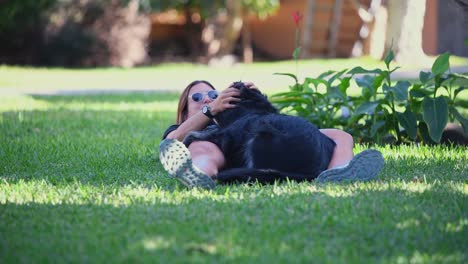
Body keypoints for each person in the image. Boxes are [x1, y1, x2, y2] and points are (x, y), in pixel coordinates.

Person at [159, 80, 384, 189]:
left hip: (248, 134)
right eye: (197, 98)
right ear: (185, 110)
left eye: (212, 94)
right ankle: (199, 175)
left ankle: (340, 172)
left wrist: (252, 98)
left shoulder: (229, 114)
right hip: (223, 146)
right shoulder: (184, 130)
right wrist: (211, 110)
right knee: (203, 147)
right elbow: (171, 142)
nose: (206, 99)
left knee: (339, 135)